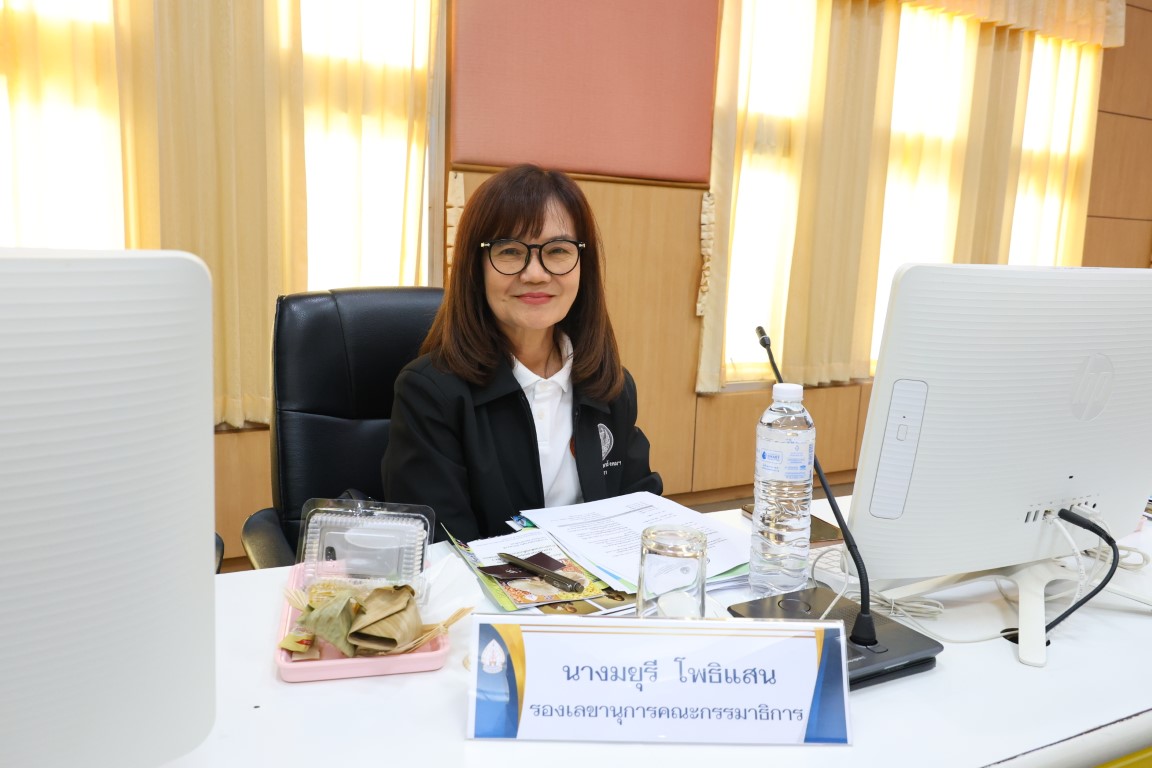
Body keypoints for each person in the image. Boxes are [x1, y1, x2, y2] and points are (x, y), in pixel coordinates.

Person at [383, 164, 662, 541]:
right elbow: (443, 546)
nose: (535, 274)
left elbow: (640, 510)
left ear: (583, 265)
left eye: (558, 250)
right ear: (476, 267)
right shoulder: (430, 393)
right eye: (511, 251)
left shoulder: (610, 386)